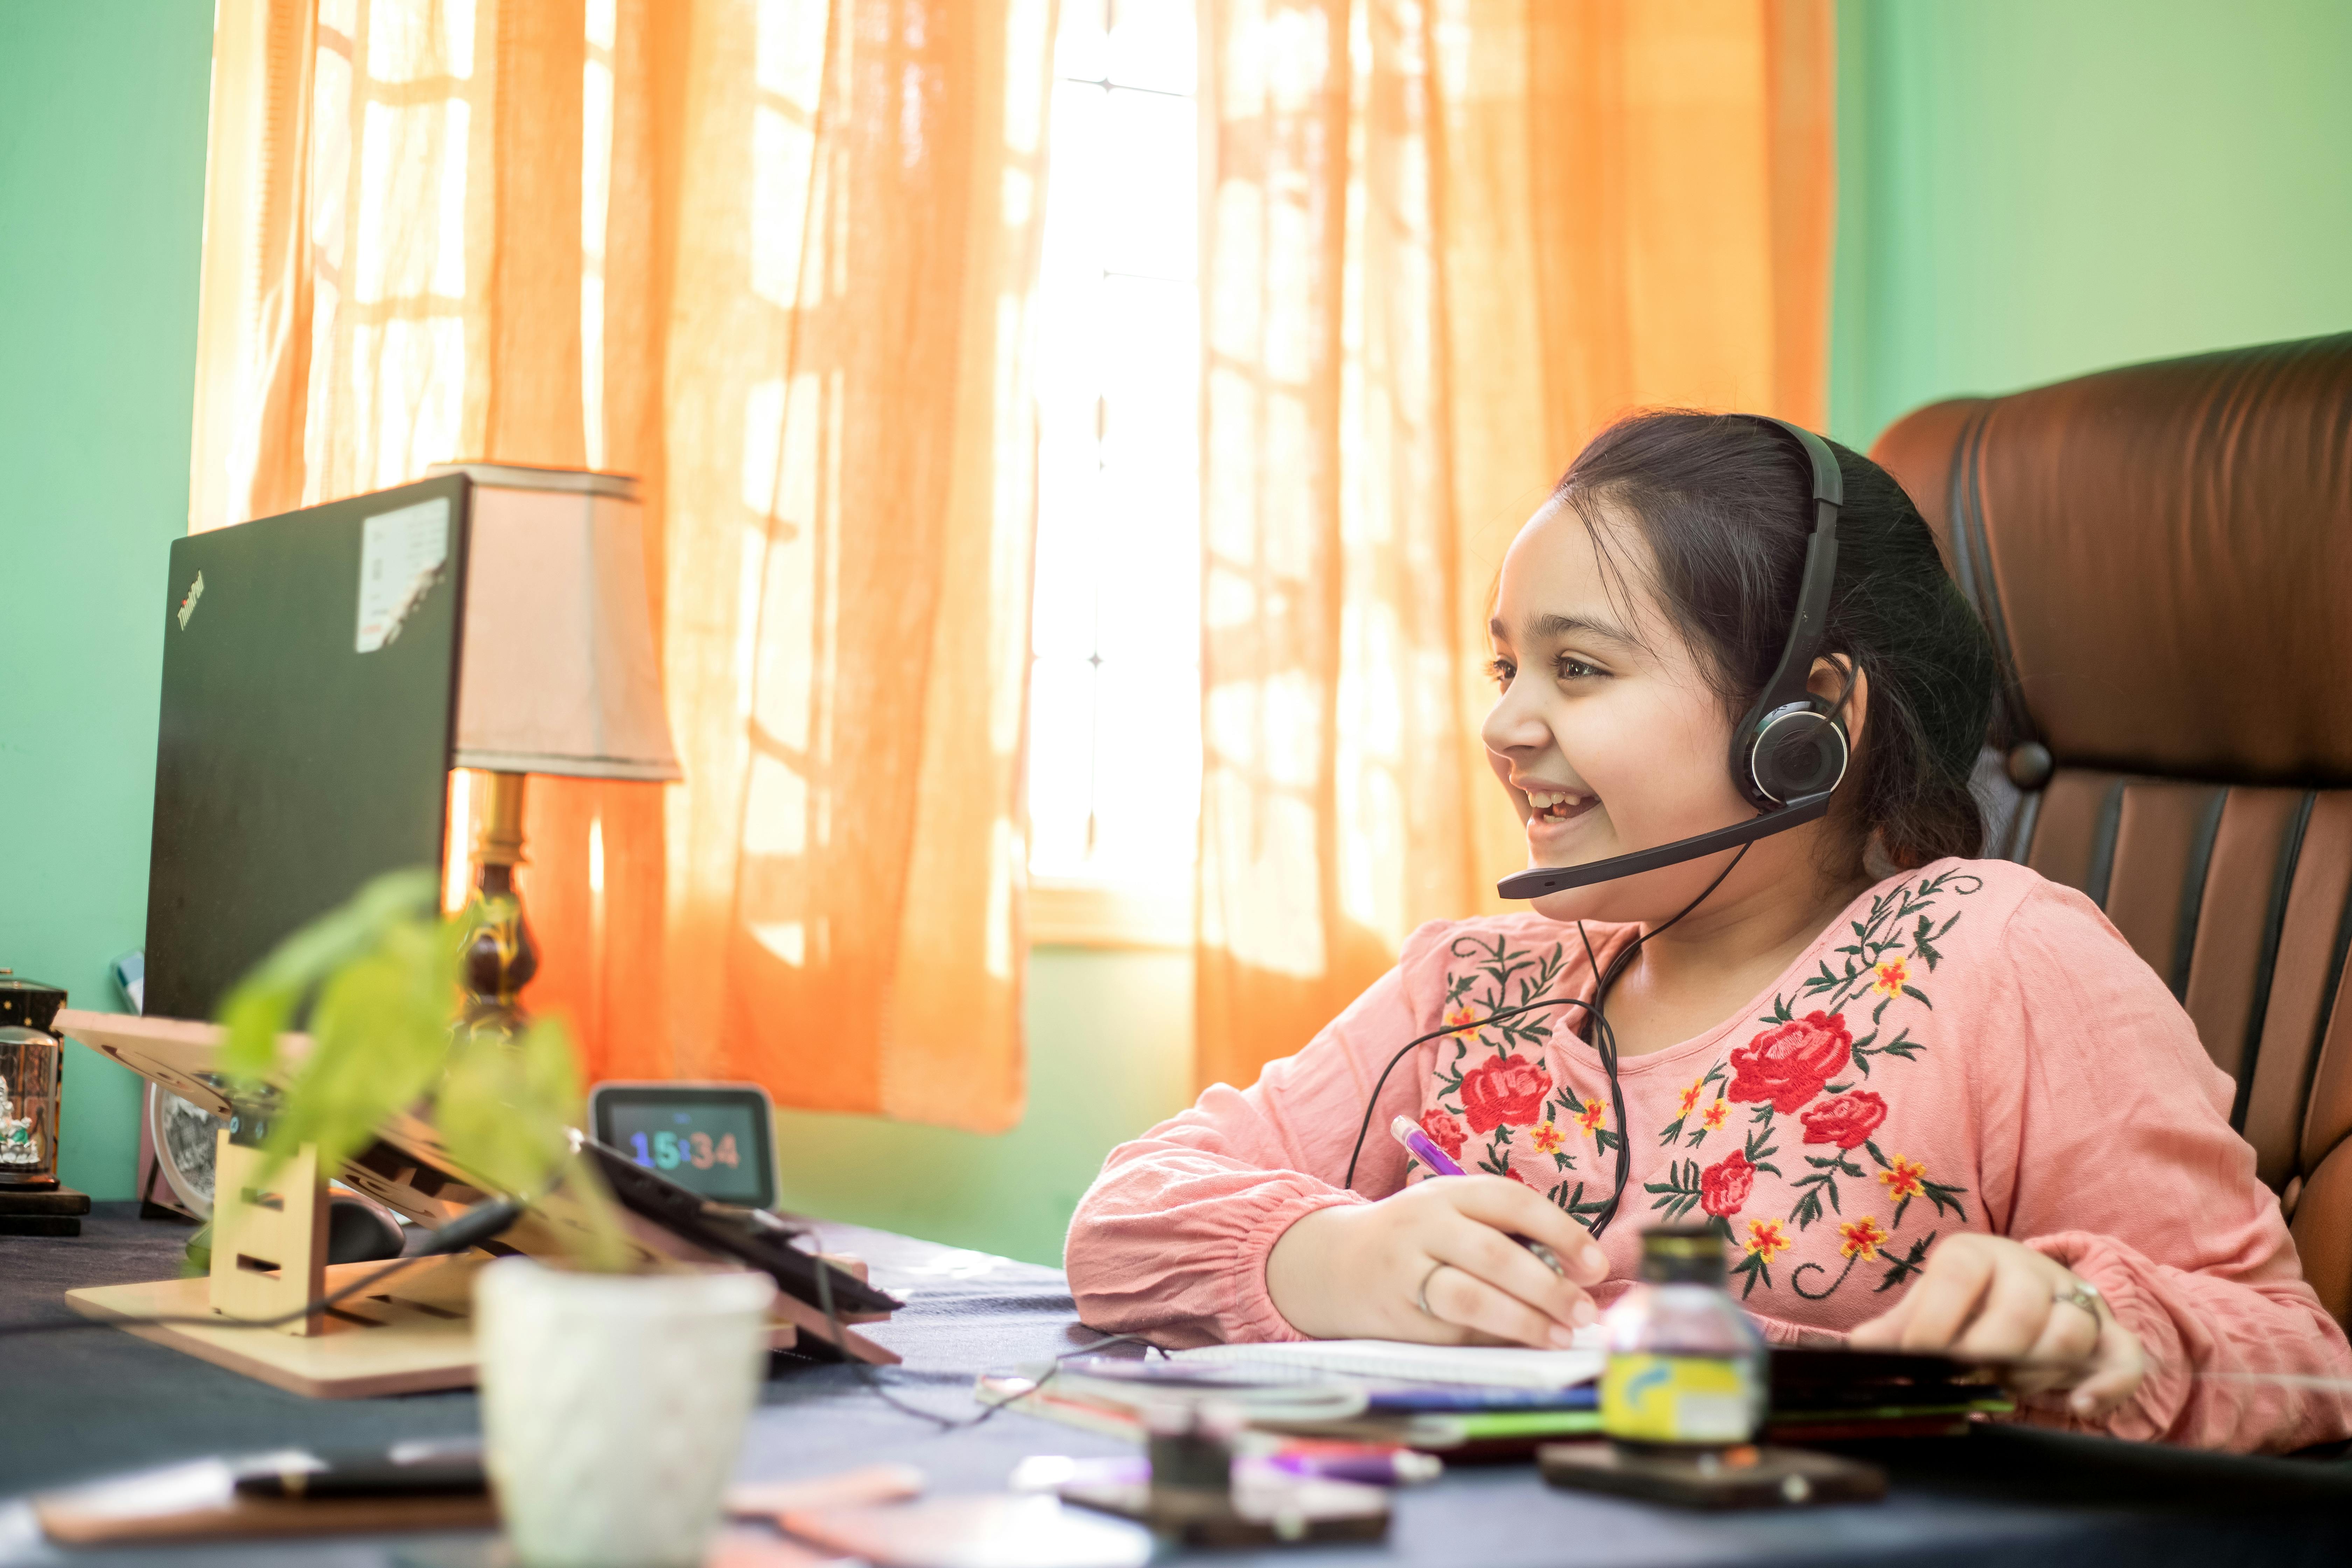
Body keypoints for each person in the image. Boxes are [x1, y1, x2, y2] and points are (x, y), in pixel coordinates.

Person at [1064, 410, 2352, 1454]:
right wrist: (1320, 1256)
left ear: (1808, 716)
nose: (1505, 727)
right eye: (1504, 667)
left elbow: (2290, 1354)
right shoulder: (1472, 986)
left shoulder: (2000, 957)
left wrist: (2084, 1322)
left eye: (1581, 669)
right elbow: (1125, 1217)